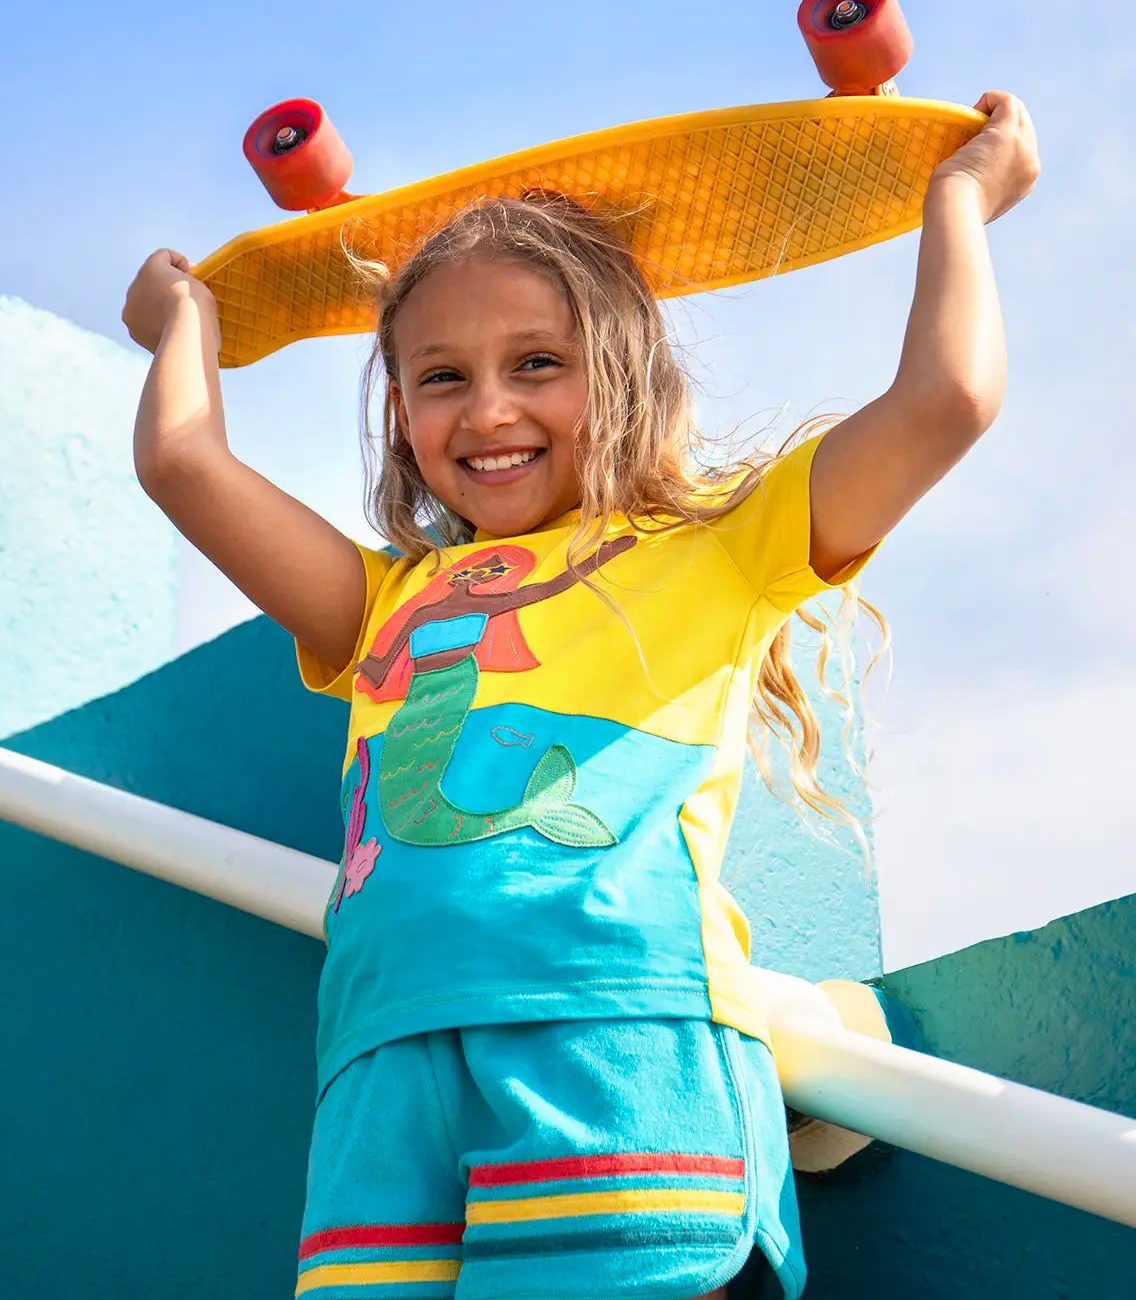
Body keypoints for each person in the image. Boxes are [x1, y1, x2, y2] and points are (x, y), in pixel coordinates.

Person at [122, 91, 1039, 1300]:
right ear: (399, 414)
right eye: (439, 376)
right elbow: (184, 463)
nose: (490, 410)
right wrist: (180, 320)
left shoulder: (718, 550)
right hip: (379, 1074)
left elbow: (947, 401)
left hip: (615, 1044)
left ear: (622, 372)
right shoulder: (381, 601)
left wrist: (960, 199)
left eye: (537, 363)